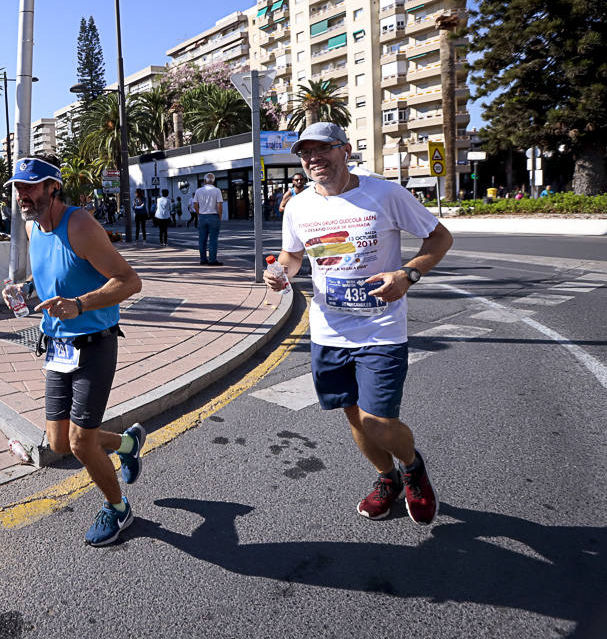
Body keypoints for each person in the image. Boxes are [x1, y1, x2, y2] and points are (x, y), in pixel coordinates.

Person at [265, 123, 452, 526]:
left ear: (345, 150)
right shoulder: (298, 206)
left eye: (323, 149)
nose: (314, 158)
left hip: (381, 329)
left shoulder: (383, 193)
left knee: (378, 420)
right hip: (329, 331)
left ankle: (412, 466)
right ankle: (387, 479)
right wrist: (280, 272)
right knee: (354, 417)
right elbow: (293, 257)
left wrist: (407, 274)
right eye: (305, 152)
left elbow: (439, 238)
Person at [1, 156, 144, 546]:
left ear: (53, 187)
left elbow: (130, 282)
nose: (22, 194)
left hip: (95, 344)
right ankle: (128, 444)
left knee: (82, 442)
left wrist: (79, 305)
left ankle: (118, 509)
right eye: (18, 187)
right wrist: (25, 290)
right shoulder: (33, 229)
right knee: (60, 444)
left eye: (31, 186)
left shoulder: (79, 225)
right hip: (57, 348)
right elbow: (50, 277)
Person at [192, 173, 224, 265]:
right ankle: (212, 260)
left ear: (205, 180)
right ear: (213, 181)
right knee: (213, 239)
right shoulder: (217, 190)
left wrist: (199, 213)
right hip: (213, 216)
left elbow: (195, 204)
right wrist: (220, 216)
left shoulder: (198, 191)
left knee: (202, 239)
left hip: (202, 216)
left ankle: (203, 259)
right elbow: (220, 205)